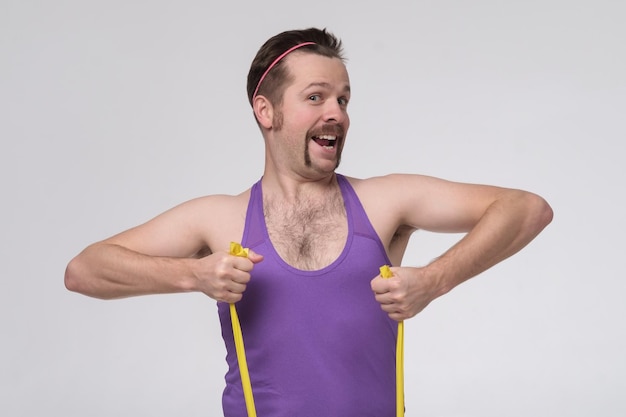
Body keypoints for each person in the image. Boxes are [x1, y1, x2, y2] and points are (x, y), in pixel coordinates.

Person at [65, 27, 553, 417]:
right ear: (267, 111)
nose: (336, 113)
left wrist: (434, 280)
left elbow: (526, 208)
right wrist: (192, 275)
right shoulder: (219, 216)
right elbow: (84, 270)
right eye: (316, 97)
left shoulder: (384, 201)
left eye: (343, 99)